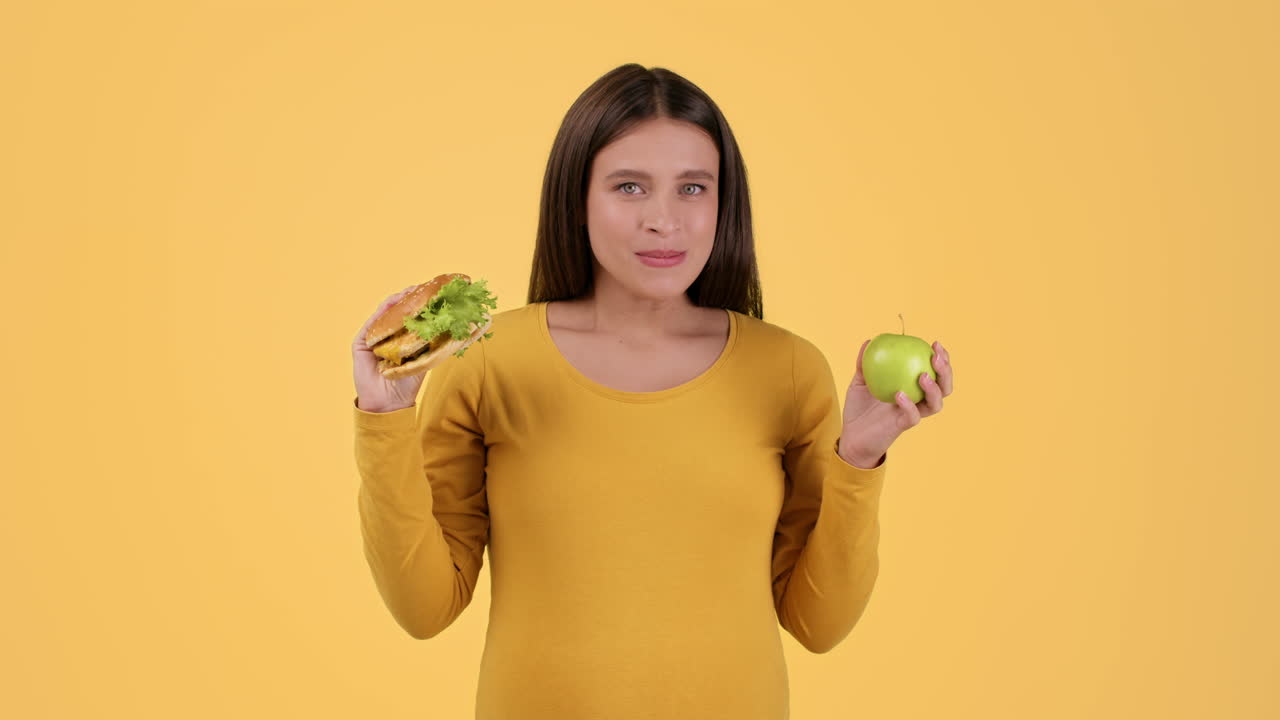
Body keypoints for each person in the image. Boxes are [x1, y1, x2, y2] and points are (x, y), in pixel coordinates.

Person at [351, 63, 954, 719]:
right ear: (576, 201)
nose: (663, 221)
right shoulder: (488, 362)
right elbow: (424, 608)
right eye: (630, 186)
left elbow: (819, 624)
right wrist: (385, 420)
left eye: (693, 188)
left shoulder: (788, 371)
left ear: (724, 206)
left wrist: (859, 459)